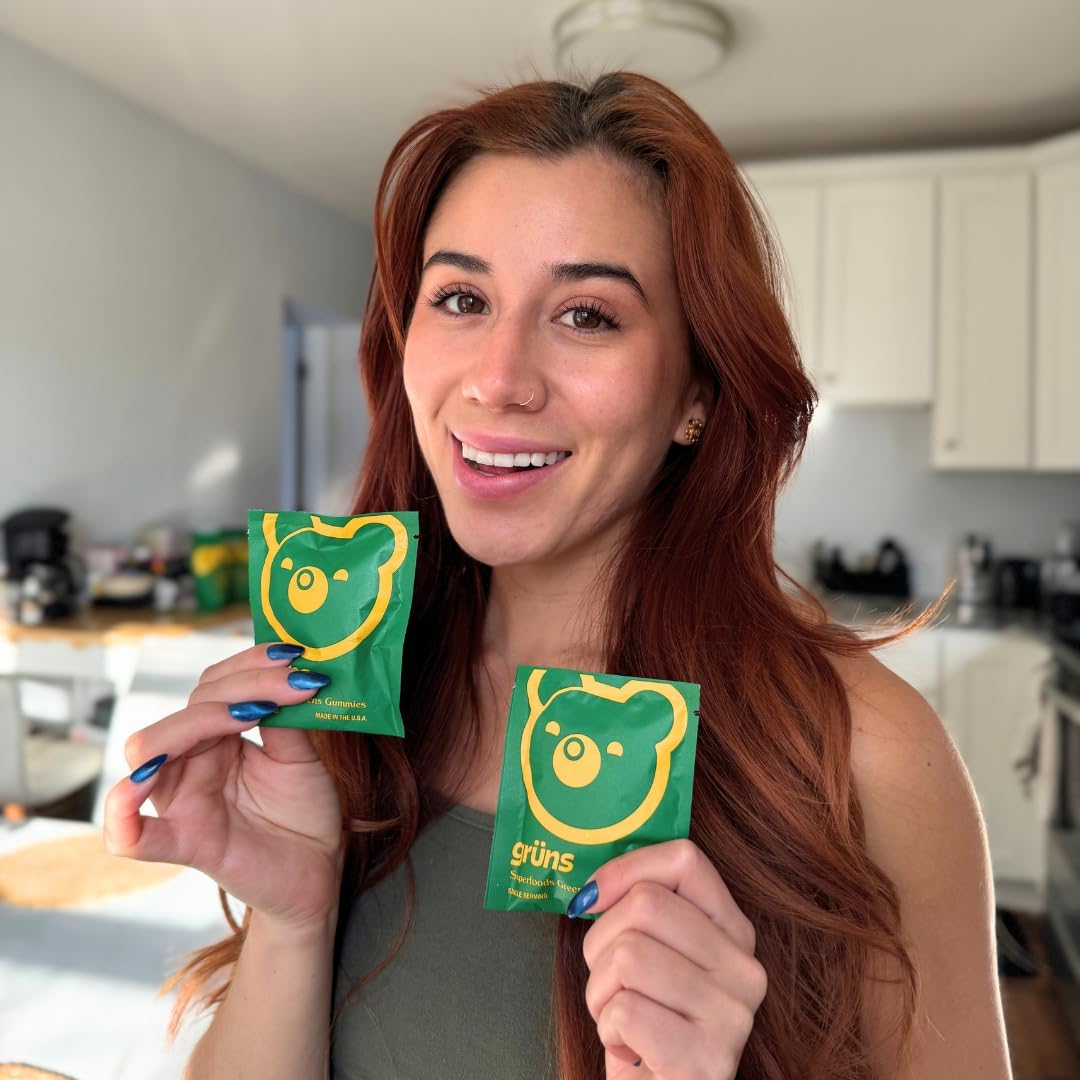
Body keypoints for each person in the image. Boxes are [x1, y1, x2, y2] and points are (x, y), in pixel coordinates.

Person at [105, 73, 1010, 1079]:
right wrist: (291, 918)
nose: (498, 379)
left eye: (586, 315)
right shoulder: (351, 702)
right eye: (461, 298)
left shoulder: (864, 755)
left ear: (698, 393)